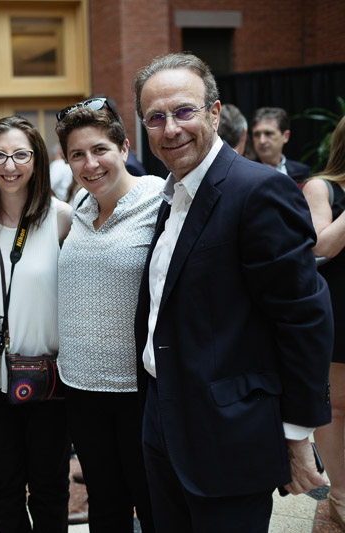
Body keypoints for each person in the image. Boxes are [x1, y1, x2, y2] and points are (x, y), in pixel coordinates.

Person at [132, 52, 332, 533]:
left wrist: (296, 432)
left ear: (215, 112)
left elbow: (304, 317)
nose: (170, 128)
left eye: (184, 111)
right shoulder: (171, 196)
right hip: (162, 417)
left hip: (229, 431)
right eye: (155, 118)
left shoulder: (258, 191)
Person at [0, 115, 73, 532]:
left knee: (50, 484)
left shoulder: (61, 217)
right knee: (1, 484)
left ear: (37, 160)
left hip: (46, 376)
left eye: (21, 154)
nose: (10, 165)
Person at [55, 97, 159, 533]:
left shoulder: (159, 201)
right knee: (104, 502)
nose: (90, 163)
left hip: (139, 389)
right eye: (77, 154)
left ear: (124, 147)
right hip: (80, 387)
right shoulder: (79, 206)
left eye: (100, 149)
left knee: (152, 501)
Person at [302, 115, 345, 530]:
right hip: (338, 310)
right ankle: (342, 496)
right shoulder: (322, 186)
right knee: (337, 407)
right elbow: (322, 245)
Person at [252, 106, 310, 184]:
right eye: (257, 134)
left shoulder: (302, 171)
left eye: (268, 133)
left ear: (286, 136)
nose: (262, 141)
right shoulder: (246, 172)